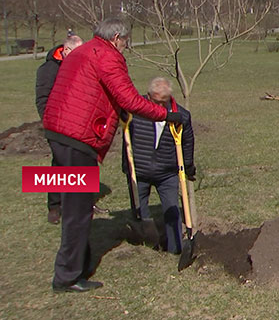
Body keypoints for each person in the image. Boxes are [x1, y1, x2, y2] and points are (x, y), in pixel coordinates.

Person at [42, 18, 181, 293]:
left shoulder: (83, 51)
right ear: (117, 37)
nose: (125, 47)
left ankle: (76, 262)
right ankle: (68, 276)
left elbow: (94, 90)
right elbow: (129, 98)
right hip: (77, 137)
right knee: (79, 210)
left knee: (73, 205)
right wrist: (166, 114)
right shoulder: (107, 56)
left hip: (59, 131)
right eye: (125, 42)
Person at [122, 77, 194, 254]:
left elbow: (187, 142)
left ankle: (175, 247)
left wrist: (188, 166)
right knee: (140, 210)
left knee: (172, 210)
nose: (161, 107)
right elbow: (126, 138)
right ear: (148, 97)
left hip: (167, 172)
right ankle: (149, 242)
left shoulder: (181, 115)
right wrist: (126, 165)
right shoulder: (135, 111)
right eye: (156, 102)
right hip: (139, 170)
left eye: (164, 102)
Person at [35, 34, 84, 225]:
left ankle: (83, 202)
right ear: (65, 50)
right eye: (76, 53)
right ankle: (55, 206)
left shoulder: (81, 65)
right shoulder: (48, 70)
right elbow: (42, 99)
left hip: (79, 123)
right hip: (57, 125)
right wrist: (50, 123)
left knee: (83, 161)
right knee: (60, 163)